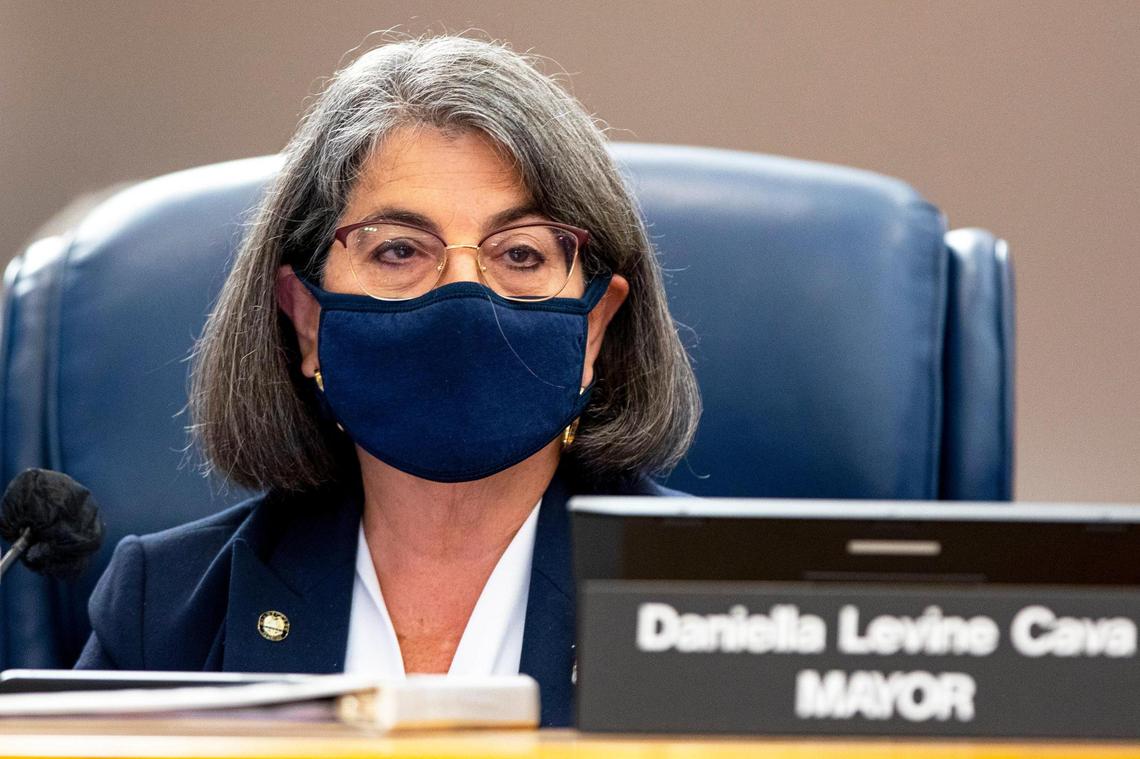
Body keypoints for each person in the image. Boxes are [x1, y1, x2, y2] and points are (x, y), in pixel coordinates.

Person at [75, 35, 701, 727]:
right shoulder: (165, 612)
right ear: (307, 320)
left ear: (595, 329)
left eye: (520, 252)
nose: (464, 295)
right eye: (399, 249)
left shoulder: (720, 603)